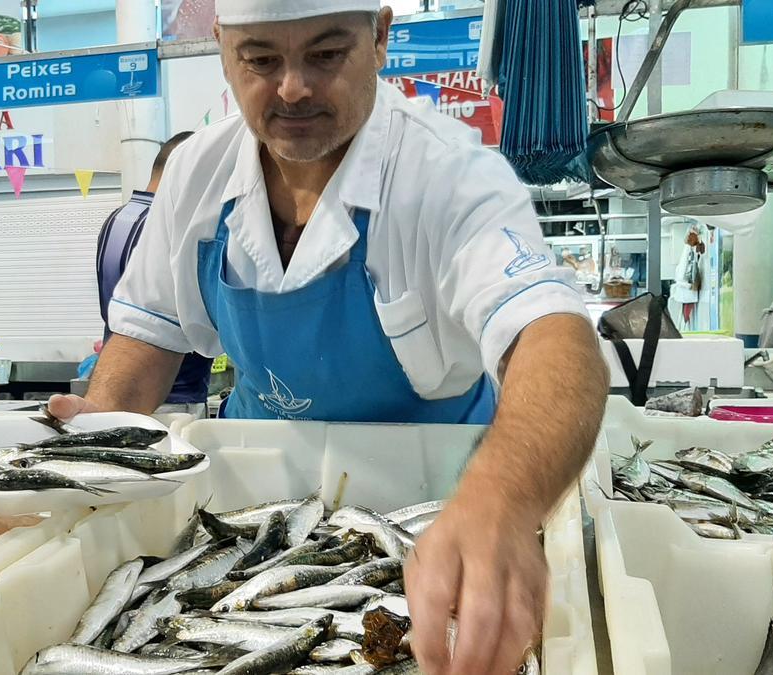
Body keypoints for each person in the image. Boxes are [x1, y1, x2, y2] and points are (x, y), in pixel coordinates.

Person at [50, 2, 609, 672]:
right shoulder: (196, 177)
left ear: (379, 37)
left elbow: (556, 338)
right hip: (258, 520)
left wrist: (504, 500)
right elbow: (142, 343)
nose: (291, 87)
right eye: (260, 58)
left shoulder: (449, 175)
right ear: (223, 48)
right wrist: (98, 450)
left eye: (324, 53)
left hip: (445, 513)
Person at [96, 132, 212, 415]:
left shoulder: (116, 219)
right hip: (169, 389)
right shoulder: (166, 224)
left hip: (124, 374)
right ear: (184, 168)